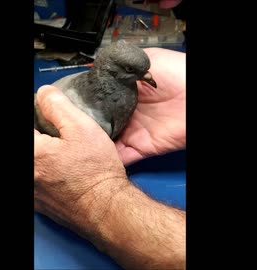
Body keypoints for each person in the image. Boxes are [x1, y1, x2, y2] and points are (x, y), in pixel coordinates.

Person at [34, 48, 186, 270]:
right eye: (132, 70)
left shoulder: (126, 90)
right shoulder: (91, 119)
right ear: (112, 71)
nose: (148, 78)